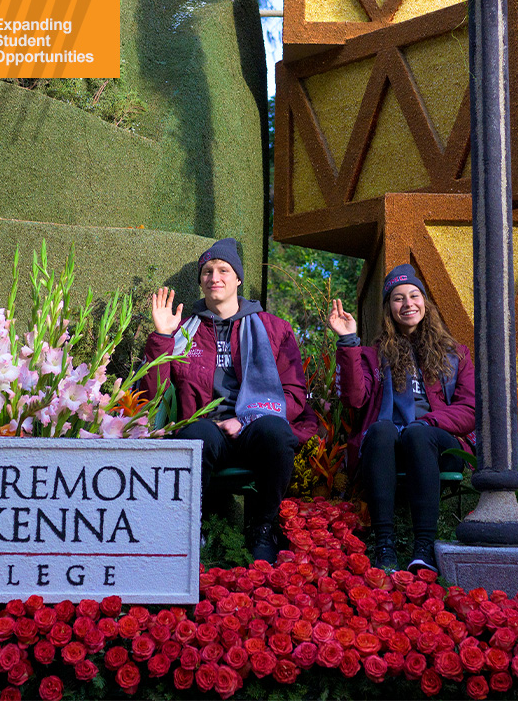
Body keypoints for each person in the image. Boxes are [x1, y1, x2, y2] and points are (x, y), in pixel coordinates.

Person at [141, 238, 317, 563]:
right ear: (201, 281)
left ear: (237, 279)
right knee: (197, 437)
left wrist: (248, 418)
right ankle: (194, 530)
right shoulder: (182, 331)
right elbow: (153, 395)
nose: (214, 277)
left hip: (253, 430)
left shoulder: (274, 329)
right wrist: (163, 338)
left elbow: (293, 395)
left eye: (223, 269)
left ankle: (263, 527)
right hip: (208, 430)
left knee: (276, 433)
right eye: (207, 271)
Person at [327, 263, 475, 573]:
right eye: (397, 298)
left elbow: (469, 410)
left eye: (413, 295)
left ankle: (423, 548)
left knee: (417, 433)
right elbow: (355, 399)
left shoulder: (456, 355)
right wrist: (349, 342)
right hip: (387, 447)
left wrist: (427, 423)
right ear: (388, 308)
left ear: (424, 302)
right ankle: (385, 547)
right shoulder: (372, 356)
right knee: (380, 431)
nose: (407, 304)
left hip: (438, 445)